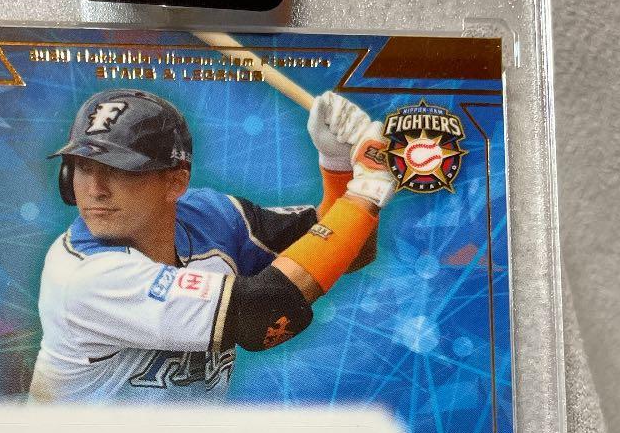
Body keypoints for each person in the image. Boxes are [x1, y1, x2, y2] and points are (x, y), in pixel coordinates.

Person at [29, 88, 395, 402]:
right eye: (83, 167)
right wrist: (366, 191)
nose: (95, 190)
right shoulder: (84, 276)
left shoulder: (213, 218)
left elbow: (347, 251)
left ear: (175, 183)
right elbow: (262, 312)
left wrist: (340, 168)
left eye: (118, 169)